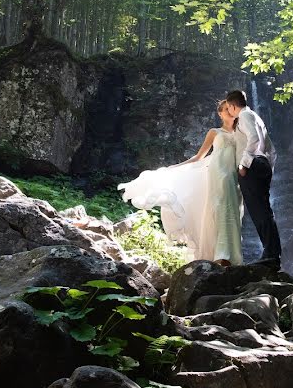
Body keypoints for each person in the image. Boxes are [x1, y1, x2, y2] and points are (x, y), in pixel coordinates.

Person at [117, 100, 243, 266]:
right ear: (220, 114)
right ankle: (220, 256)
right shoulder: (215, 132)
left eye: (231, 109)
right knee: (217, 212)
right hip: (216, 176)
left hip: (234, 179)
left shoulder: (241, 132)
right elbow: (199, 157)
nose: (229, 112)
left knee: (233, 213)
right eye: (225, 110)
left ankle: (232, 257)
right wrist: (174, 167)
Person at [224, 89, 281, 270]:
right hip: (261, 165)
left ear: (232, 106)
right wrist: (268, 168)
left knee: (259, 211)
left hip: (252, 166)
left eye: (228, 108)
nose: (228, 112)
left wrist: (244, 164)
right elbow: (271, 148)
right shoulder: (256, 117)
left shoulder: (245, 116)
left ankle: (271, 254)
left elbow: (254, 139)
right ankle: (271, 252)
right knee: (263, 210)